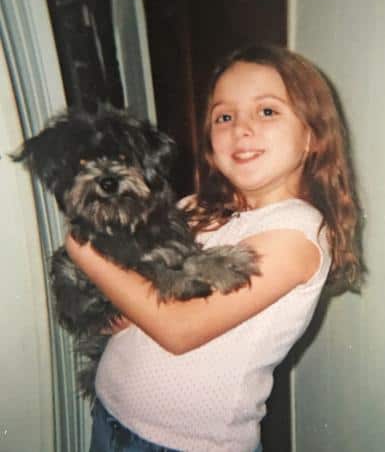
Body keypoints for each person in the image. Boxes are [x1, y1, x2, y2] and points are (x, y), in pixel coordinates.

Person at [66, 45, 361, 452]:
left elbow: (180, 329)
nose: (241, 129)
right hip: (111, 415)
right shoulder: (194, 208)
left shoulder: (299, 232)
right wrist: (115, 310)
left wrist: (87, 254)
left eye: (267, 111)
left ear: (312, 134)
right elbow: (137, 291)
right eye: (224, 116)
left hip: (184, 444)